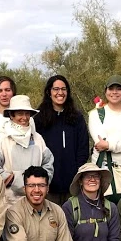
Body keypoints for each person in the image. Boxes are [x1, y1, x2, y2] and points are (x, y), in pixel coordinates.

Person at [0, 95, 55, 207]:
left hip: (35, 200)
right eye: (20, 113)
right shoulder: (1, 139)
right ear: (11, 115)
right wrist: (13, 180)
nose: (24, 117)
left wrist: (41, 184)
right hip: (9, 202)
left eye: (27, 113)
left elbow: (48, 163)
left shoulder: (38, 138)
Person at [35, 75, 89, 205]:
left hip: (72, 185)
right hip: (48, 185)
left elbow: (83, 147)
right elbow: (35, 150)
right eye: (56, 89)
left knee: (71, 222)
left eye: (64, 89)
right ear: (49, 92)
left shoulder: (77, 118)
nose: (60, 93)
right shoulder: (39, 118)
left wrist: (77, 174)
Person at [88, 74, 121, 201]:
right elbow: (100, 142)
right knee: (101, 208)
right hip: (103, 168)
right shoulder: (96, 115)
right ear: (105, 91)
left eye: (119, 89)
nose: (114, 92)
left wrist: (109, 145)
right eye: (111, 88)